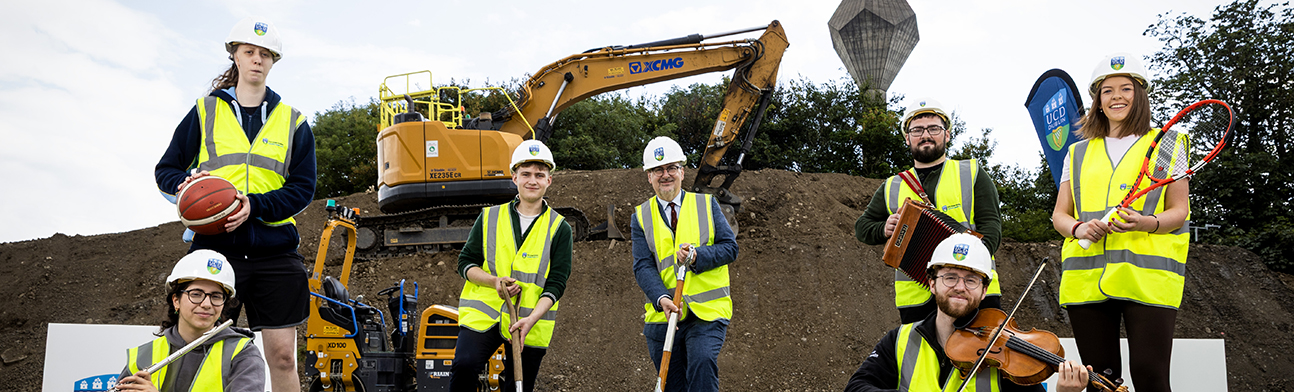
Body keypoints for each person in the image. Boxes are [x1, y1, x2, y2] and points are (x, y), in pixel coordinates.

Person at [154, 17, 314, 392]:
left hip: (275, 251)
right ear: (235, 56)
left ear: (273, 61)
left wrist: (253, 206)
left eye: (265, 54)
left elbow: (303, 189)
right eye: (249, 52)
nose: (257, 59)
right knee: (196, 350)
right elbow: (167, 170)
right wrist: (187, 186)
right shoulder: (205, 111)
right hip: (214, 250)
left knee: (284, 358)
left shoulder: (293, 121)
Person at [1050, 53, 1190, 392]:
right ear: (1097, 101)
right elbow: (1060, 215)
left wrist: (1145, 222)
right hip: (1086, 278)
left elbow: (1180, 210)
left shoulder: (1170, 143)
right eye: (1107, 90)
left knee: (1149, 374)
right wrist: (1078, 228)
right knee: (1103, 381)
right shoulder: (1077, 152)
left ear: (1139, 95)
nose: (1116, 97)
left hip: (1148, 279)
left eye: (1126, 88)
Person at [844, 233, 1091, 392]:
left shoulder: (1007, 357)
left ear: (984, 291)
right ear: (932, 283)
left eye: (971, 280)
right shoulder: (900, 339)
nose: (960, 287)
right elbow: (856, 388)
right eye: (950, 277)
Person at [855, 98, 1004, 324]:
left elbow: (992, 226)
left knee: (980, 358)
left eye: (934, 128)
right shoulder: (892, 185)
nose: (925, 135)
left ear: (947, 134)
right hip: (916, 298)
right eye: (917, 129)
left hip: (972, 292)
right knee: (922, 359)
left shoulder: (971, 173)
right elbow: (862, 227)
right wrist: (883, 228)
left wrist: (972, 266)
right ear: (907, 138)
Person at [449, 140, 574, 392]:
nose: (532, 180)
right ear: (514, 176)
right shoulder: (489, 217)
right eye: (525, 174)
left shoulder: (560, 228)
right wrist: (493, 282)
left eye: (540, 175)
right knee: (464, 365)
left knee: (518, 386)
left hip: (531, 320)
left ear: (549, 181)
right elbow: (465, 263)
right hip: (484, 315)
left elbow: (557, 283)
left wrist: (531, 319)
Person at [631, 136, 739, 392]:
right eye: (658, 170)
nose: (665, 175)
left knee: (702, 362)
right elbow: (642, 266)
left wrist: (696, 257)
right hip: (664, 315)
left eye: (671, 168)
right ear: (649, 176)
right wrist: (661, 299)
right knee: (671, 384)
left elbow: (730, 248)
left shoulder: (706, 204)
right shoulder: (640, 216)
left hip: (706, 313)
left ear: (682, 171)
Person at [117, 250, 266, 392]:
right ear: (176, 301)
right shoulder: (143, 356)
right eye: (196, 294)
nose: (207, 304)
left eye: (216, 296)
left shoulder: (242, 354)